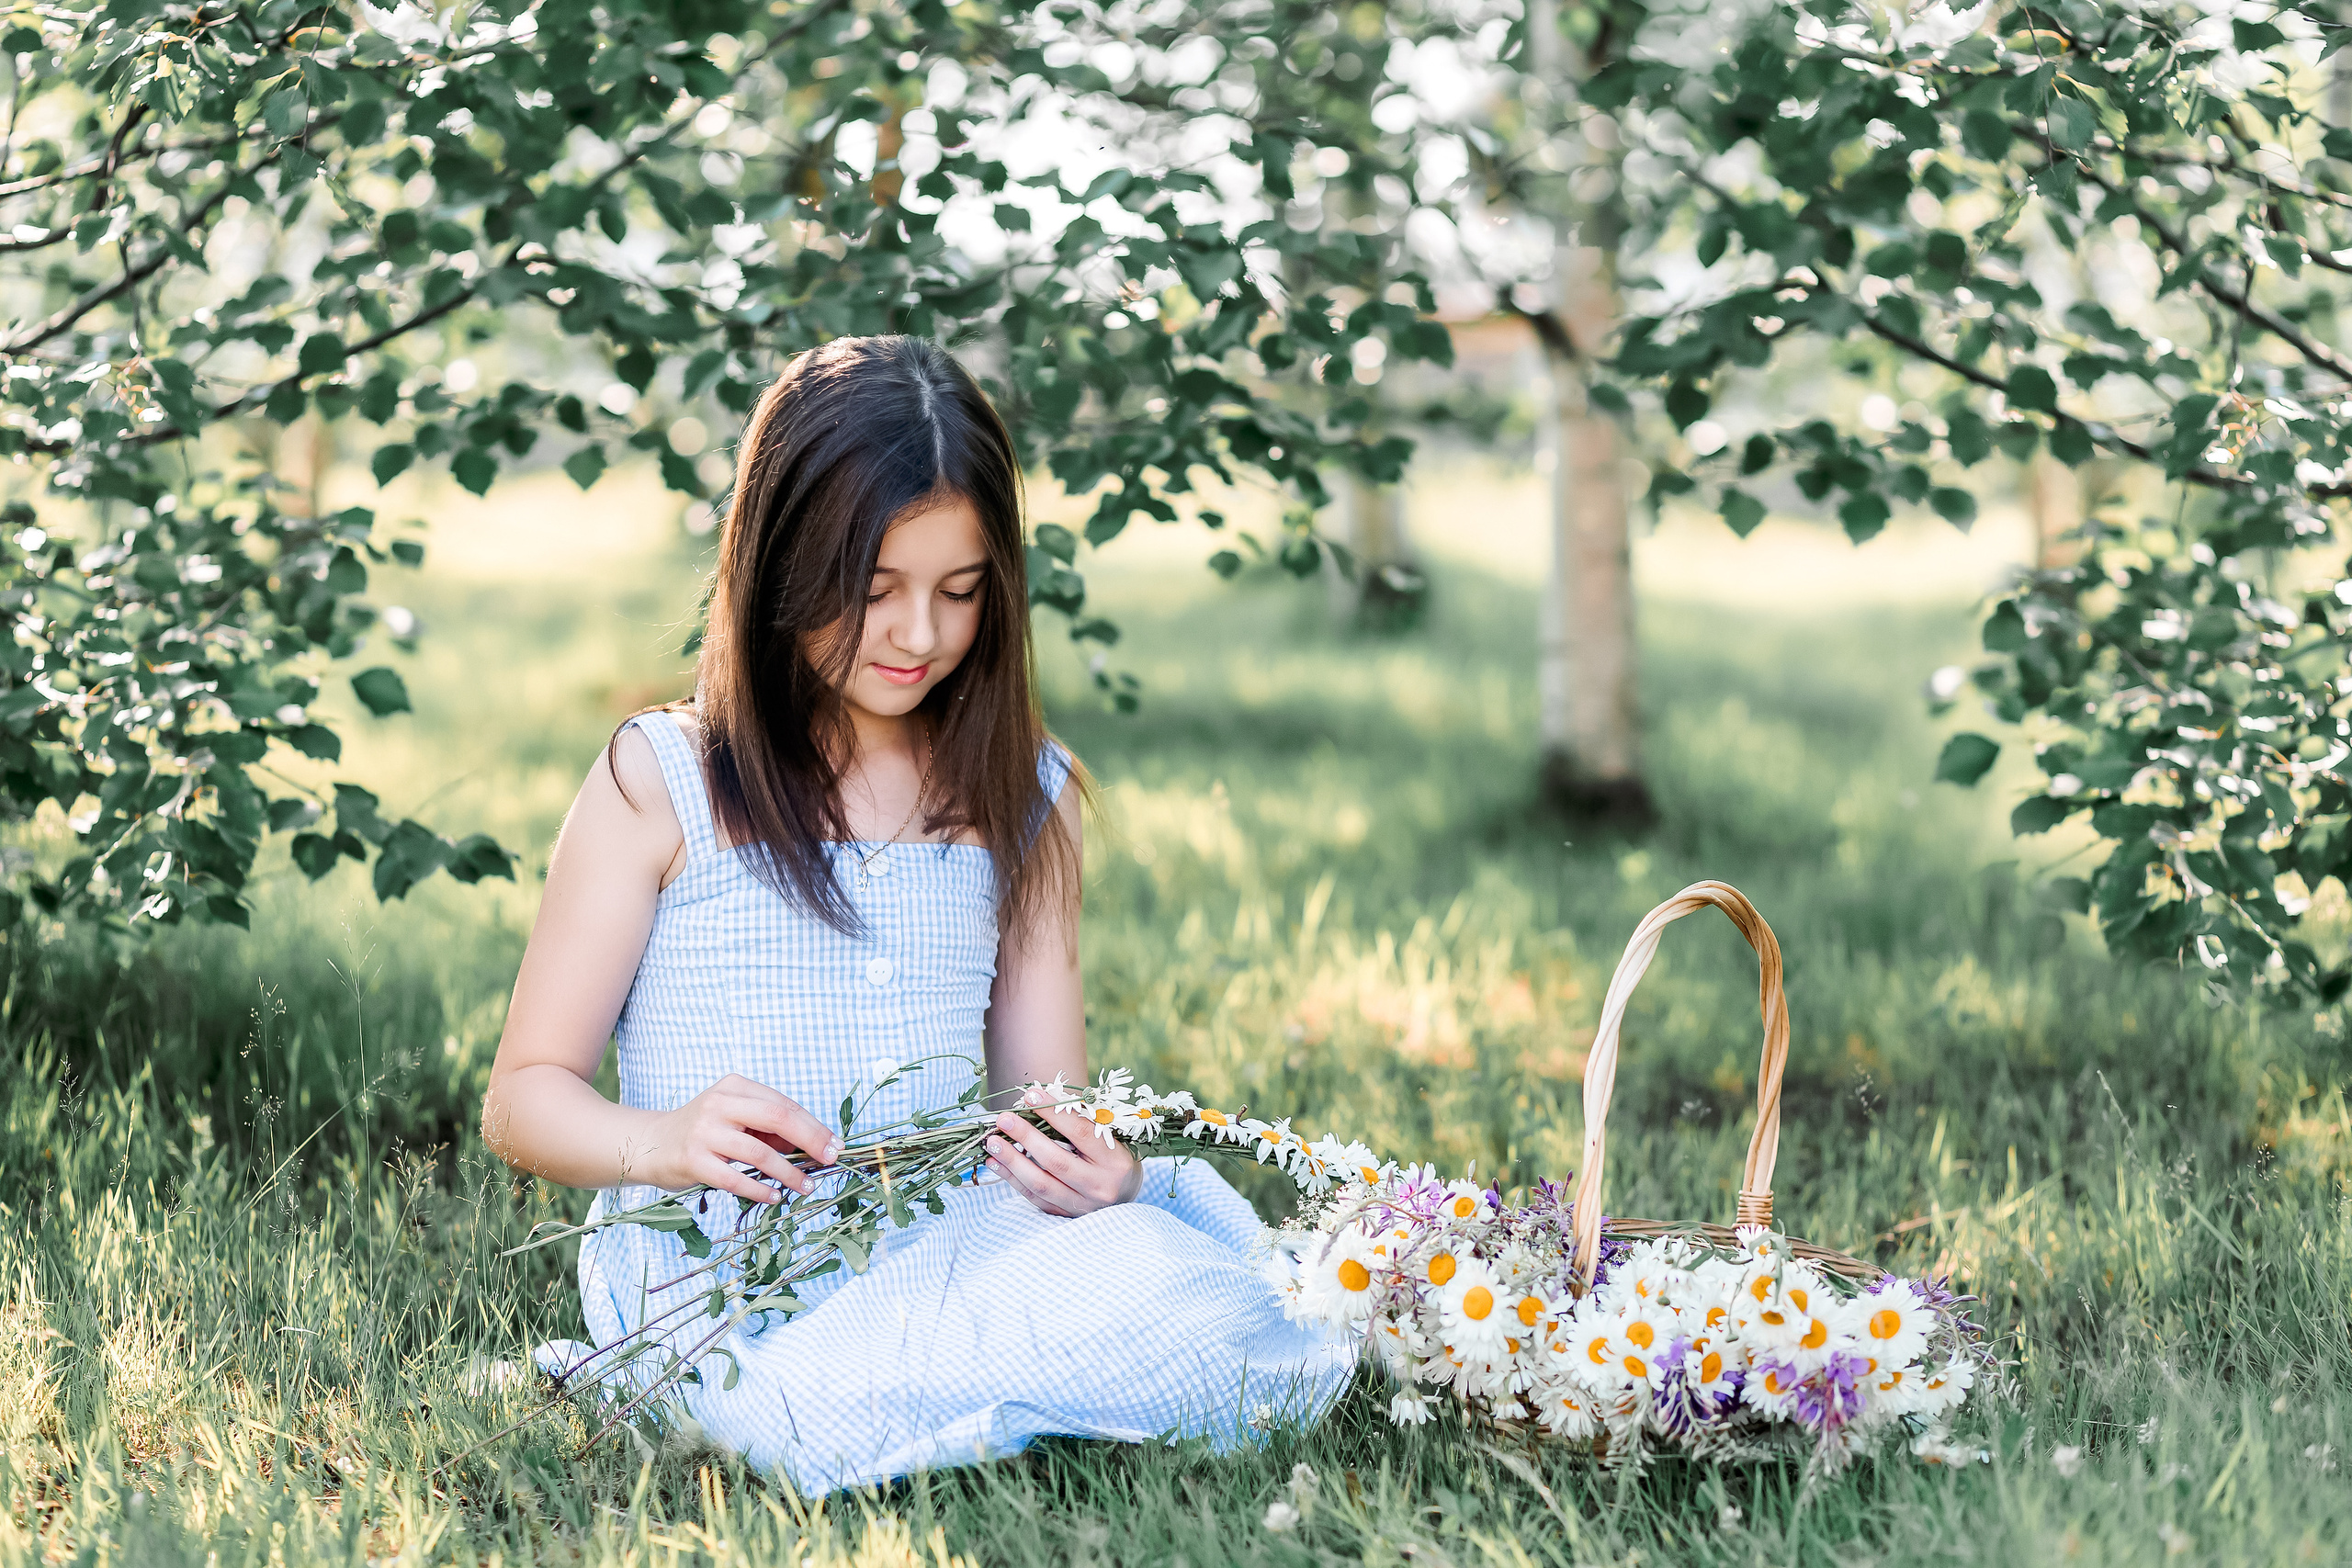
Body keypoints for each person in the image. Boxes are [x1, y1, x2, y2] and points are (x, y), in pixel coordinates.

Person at [479, 335, 1356, 1493]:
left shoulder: (1024, 794)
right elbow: (523, 1096)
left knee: (1206, 1301)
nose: (919, 637)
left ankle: (982, 1381)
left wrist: (1096, 1176)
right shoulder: (665, 778)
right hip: (729, 1275)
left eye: (959, 591)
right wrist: (663, 1140)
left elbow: (1041, 1103)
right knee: (797, 1394)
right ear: (781, 565)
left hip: (954, 1247)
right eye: (872, 589)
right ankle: (862, 1395)